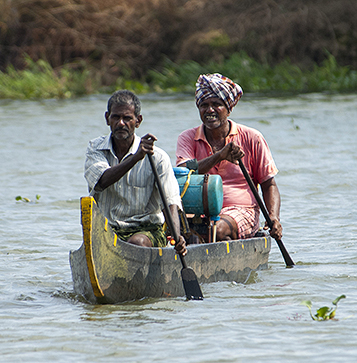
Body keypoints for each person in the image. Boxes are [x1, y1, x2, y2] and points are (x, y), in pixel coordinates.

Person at [176, 73, 283, 242]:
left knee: (217, 231)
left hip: (241, 210)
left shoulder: (252, 137)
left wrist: (274, 218)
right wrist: (219, 156)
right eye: (204, 105)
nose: (210, 110)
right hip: (197, 210)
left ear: (229, 108)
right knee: (181, 234)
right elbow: (183, 173)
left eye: (217, 104)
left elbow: (268, 184)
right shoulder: (187, 138)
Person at [84, 90, 186, 255]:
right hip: (107, 230)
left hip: (146, 231)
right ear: (107, 118)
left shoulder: (158, 157)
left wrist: (177, 236)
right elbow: (101, 181)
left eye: (127, 118)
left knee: (136, 243)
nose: (121, 123)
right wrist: (134, 159)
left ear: (138, 121)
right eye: (116, 117)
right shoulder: (96, 149)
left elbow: (170, 202)